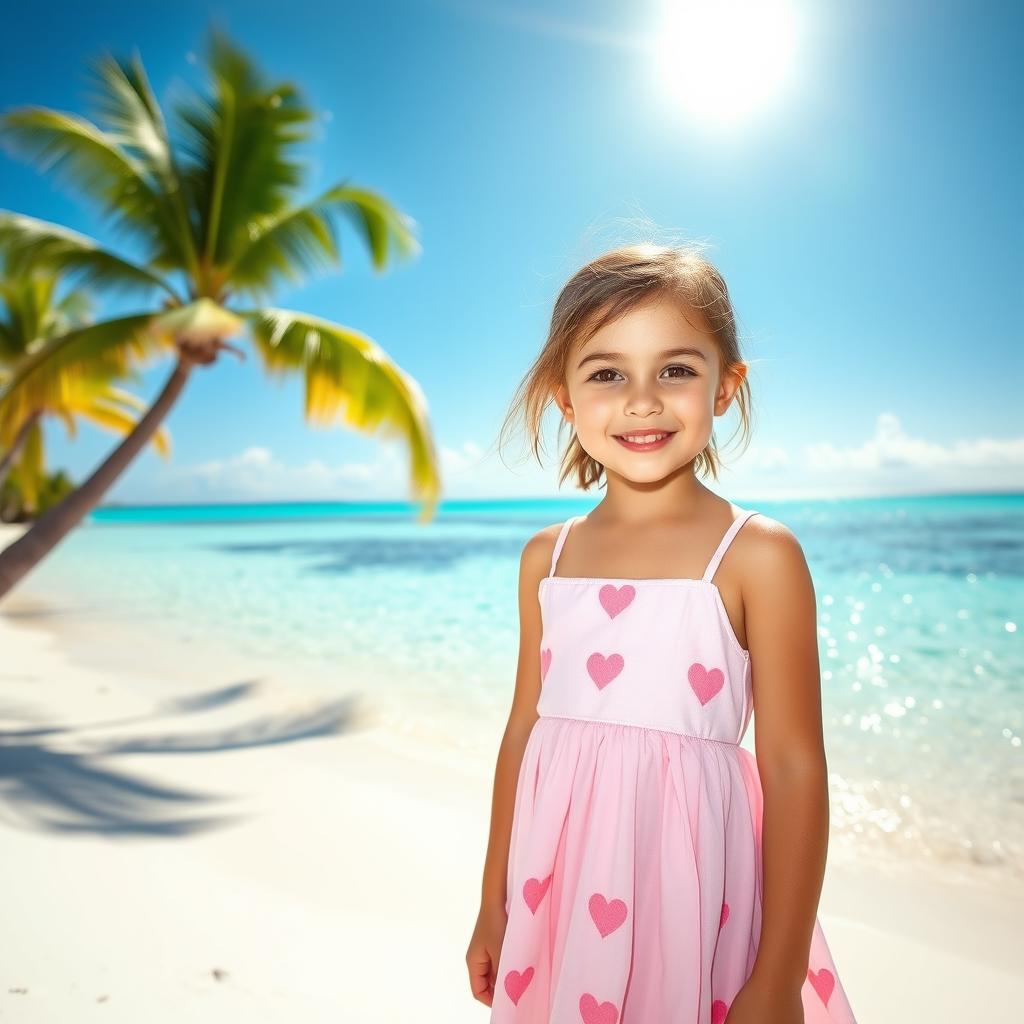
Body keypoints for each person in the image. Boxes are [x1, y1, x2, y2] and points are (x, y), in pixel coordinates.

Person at [466, 242, 858, 1024]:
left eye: (675, 369)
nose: (642, 400)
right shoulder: (547, 556)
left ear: (725, 387)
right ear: (564, 398)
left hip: (693, 892)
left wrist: (777, 976)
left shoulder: (758, 555)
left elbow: (792, 767)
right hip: (561, 888)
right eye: (607, 373)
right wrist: (493, 901)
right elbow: (521, 737)